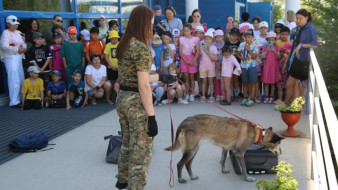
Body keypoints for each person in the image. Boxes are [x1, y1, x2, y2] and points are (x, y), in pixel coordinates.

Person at [114, 5, 175, 190]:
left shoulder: (124, 42)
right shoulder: (141, 47)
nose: (152, 27)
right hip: (135, 103)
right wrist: (151, 117)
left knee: (127, 142)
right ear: (143, 23)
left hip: (123, 98)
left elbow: (136, 77)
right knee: (141, 148)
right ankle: (136, 186)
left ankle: (123, 179)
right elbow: (142, 85)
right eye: (150, 23)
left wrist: (160, 77)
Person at [284, 8, 318, 105]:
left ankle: (289, 105)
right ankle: (292, 105)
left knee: (294, 85)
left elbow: (315, 45)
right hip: (294, 59)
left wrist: (302, 45)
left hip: (303, 61)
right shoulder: (299, 28)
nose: (298, 21)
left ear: (306, 18)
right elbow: (294, 45)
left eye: (300, 18)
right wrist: (288, 59)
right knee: (293, 85)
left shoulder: (311, 28)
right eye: (297, 18)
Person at [0, 15, 27, 107]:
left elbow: (24, 43)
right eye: (13, 24)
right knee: (14, 79)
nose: (15, 26)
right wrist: (16, 49)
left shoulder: (18, 32)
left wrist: (24, 48)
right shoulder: (5, 33)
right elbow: (4, 46)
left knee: (21, 78)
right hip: (10, 58)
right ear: (7, 24)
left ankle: (20, 98)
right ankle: (14, 101)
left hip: (19, 58)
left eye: (16, 24)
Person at [26, 32, 51, 99]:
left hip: (46, 69)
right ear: (34, 40)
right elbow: (33, 60)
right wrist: (39, 69)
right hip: (36, 70)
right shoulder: (31, 49)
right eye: (37, 39)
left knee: (46, 84)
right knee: (38, 84)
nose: (39, 40)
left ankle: (46, 97)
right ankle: (39, 97)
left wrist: (43, 68)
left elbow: (48, 59)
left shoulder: (46, 47)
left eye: (41, 39)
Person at [237, 29, 259, 107]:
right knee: (245, 83)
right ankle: (245, 97)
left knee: (253, 82)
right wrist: (241, 58)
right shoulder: (242, 44)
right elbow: (238, 53)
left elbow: (254, 56)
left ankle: (252, 98)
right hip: (244, 66)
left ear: (252, 37)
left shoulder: (255, 45)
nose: (247, 39)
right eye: (246, 37)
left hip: (252, 66)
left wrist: (249, 50)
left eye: (249, 37)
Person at [179, 23, 200, 102]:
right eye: (184, 31)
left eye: (187, 30)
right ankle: (187, 94)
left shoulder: (195, 39)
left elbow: (198, 51)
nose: (186, 32)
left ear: (191, 31)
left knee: (192, 78)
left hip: (192, 58)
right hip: (184, 59)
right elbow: (180, 52)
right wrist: (186, 60)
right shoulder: (181, 39)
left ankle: (192, 94)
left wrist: (193, 60)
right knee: (186, 77)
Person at [261, 31, 280, 104]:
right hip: (267, 66)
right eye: (269, 40)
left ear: (275, 40)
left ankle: (271, 97)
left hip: (274, 66)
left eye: (272, 39)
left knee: (272, 83)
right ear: (267, 40)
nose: (271, 41)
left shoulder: (277, 47)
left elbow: (279, 57)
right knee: (266, 82)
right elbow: (262, 56)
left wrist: (275, 51)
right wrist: (267, 51)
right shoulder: (265, 47)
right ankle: (266, 97)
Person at [199, 31, 217, 102]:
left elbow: (215, 58)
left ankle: (211, 96)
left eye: (209, 38)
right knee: (204, 82)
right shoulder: (201, 47)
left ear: (212, 39)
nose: (207, 40)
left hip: (211, 67)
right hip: (203, 67)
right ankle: (203, 95)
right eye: (206, 38)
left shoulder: (214, 48)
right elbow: (200, 56)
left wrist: (207, 52)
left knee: (211, 82)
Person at [225, 28, 241, 101]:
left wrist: (237, 54)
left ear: (238, 36)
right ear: (230, 35)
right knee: (230, 79)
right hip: (229, 64)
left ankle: (236, 94)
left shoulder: (239, 43)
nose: (234, 37)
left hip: (237, 63)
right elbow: (224, 53)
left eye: (235, 35)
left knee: (236, 79)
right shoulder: (227, 43)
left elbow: (241, 52)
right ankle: (231, 94)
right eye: (232, 35)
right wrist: (230, 54)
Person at [104, 30, 120, 101]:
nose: (114, 40)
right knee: (112, 82)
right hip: (111, 67)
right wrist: (111, 65)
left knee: (119, 82)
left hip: (119, 67)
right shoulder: (108, 45)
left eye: (116, 38)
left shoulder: (120, 44)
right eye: (113, 39)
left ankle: (118, 96)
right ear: (110, 39)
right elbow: (106, 57)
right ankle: (113, 96)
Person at [212, 29, 225, 102]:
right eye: (217, 37)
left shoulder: (224, 44)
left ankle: (222, 94)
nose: (218, 38)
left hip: (223, 64)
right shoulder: (213, 44)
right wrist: (215, 64)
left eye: (220, 37)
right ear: (214, 37)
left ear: (222, 37)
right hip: (215, 63)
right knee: (216, 80)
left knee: (222, 80)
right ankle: (217, 94)